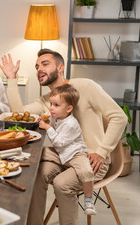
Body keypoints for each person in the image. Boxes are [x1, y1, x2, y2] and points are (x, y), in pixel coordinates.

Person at [0, 49, 127, 224]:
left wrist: (102, 152)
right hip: (64, 156)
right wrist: (12, 78)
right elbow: (19, 113)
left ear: (60, 68)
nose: (39, 69)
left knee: (61, 184)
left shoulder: (85, 86)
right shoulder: (47, 101)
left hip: (92, 161)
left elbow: (119, 117)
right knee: (36, 170)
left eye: (45, 64)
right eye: (37, 66)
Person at [39, 84, 97, 215]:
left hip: (75, 154)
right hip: (62, 154)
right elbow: (48, 116)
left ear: (69, 108)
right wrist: (43, 119)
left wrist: (48, 128)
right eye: (51, 103)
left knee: (86, 171)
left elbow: (59, 142)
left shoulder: (71, 124)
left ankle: (89, 201)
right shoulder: (56, 116)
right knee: (39, 153)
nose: (51, 108)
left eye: (56, 105)